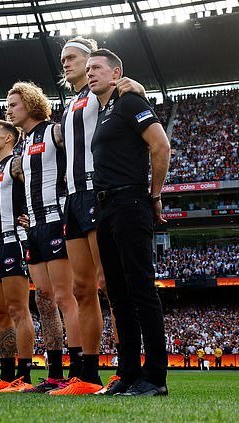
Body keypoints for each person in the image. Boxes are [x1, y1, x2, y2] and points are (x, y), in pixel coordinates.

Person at [55, 36, 145, 396]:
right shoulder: (71, 102)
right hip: (73, 196)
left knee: (111, 283)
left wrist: (134, 84)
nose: (66, 63)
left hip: (98, 191)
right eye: (63, 59)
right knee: (81, 288)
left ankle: (129, 368)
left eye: (73, 57)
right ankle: (88, 374)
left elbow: (132, 90)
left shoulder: (101, 92)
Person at [87, 48, 170, 396]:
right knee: (117, 296)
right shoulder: (105, 110)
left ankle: (155, 378)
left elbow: (160, 146)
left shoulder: (130, 101)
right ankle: (129, 374)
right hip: (105, 207)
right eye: (87, 68)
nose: (90, 73)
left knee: (140, 289)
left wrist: (154, 194)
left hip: (130, 200)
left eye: (97, 68)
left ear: (116, 72)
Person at [6, 81, 80, 389]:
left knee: (65, 297)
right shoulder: (23, 144)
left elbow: (82, 147)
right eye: (8, 105)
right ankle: (54, 375)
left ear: (31, 104)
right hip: (34, 228)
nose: (8, 109)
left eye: (13, 104)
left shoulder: (55, 131)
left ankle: (80, 372)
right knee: (45, 301)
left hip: (57, 222)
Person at [0, 120, 36, 393]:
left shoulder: (16, 163)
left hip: (13, 243)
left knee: (18, 310)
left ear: (8, 139)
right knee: (0, 312)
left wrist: (33, 215)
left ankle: (24, 375)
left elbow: (37, 182)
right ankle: (5, 374)